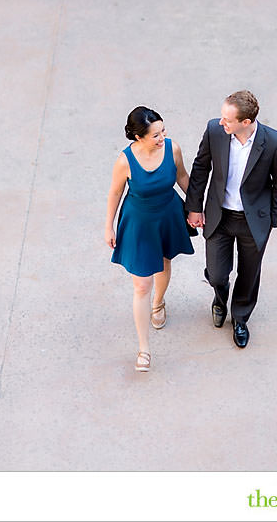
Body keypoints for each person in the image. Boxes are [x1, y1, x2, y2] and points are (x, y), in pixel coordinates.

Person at [185, 90, 277, 348]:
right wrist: (194, 207)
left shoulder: (274, 142)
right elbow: (200, 168)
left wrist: (272, 220)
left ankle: (240, 318)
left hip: (253, 221)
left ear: (246, 122)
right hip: (218, 215)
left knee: (249, 273)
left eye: (227, 120)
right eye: (221, 117)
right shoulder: (214, 131)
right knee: (218, 274)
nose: (221, 123)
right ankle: (220, 298)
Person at [105, 106, 195, 372]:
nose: (162, 138)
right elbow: (114, 194)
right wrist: (108, 227)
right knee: (142, 284)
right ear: (138, 137)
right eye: (155, 135)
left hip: (167, 214)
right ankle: (144, 348)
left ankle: (159, 303)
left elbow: (182, 177)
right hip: (139, 223)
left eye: (163, 131)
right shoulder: (125, 161)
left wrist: (196, 207)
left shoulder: (173, 148)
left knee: (165, 263)